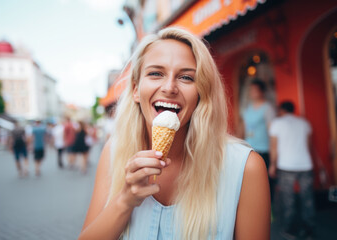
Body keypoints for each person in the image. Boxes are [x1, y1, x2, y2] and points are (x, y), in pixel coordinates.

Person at [79, 27, 270, 240]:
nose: (169, 87)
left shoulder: (246, 168)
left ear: (201, 92)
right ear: (135, 89)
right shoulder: (114, 152)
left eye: (186, 77)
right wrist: (124, 200)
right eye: (155, 73)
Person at [269, 101, 315, 239]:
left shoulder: (277, 123)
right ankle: (309, 230)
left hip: (286, 165)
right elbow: (308, 145)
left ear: (281, 110)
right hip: (305, 164)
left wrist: (272, 164)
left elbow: (274, 147)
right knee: (307, 199)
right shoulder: (304, 123)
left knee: (288, 199)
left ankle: (290, 230)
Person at [241, 79, 276, 202]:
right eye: (251, 90)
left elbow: (273, 134)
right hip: (249, 150)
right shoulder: (248, 108)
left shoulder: (268, 108)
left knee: (265, 184)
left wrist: (273, 161)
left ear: (262, 92)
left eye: (255, 90)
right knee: (250, 183)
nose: (252, 92)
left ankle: (269, 211)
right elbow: (244, 130)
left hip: (264, 151)